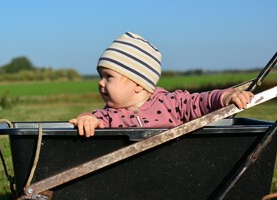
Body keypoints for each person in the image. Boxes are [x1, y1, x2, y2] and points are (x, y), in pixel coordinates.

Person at [69, 32, 253, 137]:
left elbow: (200, 101)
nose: (100, 83)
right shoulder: (109, 116)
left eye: (108, 77)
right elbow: (94, 118)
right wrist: (87, 119)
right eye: (100, 76)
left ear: (138, 83)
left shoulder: (171, 103)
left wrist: (227, 96)